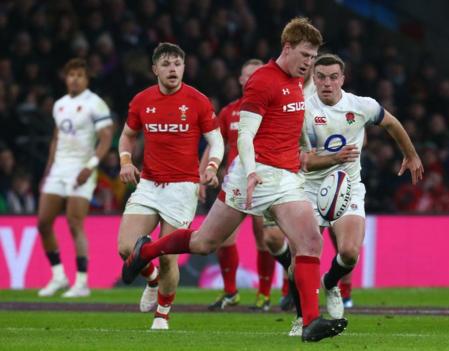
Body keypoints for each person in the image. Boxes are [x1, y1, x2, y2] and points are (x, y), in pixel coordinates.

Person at [120, 18, 347, 342]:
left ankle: (310, 322)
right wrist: (251, 171)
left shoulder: (300, 79)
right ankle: (146, 251)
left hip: (285, 177)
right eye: (306, 56)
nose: (310, 63)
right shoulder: (263, 81)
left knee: (310, 242)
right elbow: (245, 135)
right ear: (287, 48)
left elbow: (310, 100)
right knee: (204, 243)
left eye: (313, 57)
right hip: (252, 174)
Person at [267, 53, 424, 332]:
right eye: (321, 77)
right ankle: (303, 319)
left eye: (333, 77)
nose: (327, 83)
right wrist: (334, 158)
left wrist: (410, 155)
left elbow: (392, 123)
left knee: (350, 253)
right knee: (297, 262)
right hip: (308, 189)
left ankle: (330, 283)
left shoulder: (361, 106)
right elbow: (301, 160)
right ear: (312, 78)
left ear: (343, 78)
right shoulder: (301, 110)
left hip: (347, 188)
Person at [116, 42, 224, 330]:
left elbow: (217, 141)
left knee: (167, 259)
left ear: (184, 68)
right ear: (155, 70)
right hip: (149, 184)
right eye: (166, 64)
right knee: (127, 248)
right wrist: (126, 161)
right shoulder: (142, 100)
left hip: (182, 188)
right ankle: (151, 282)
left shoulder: (198, 101)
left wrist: (211, 167)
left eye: (177, 63)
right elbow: (127, 135)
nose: (172, 68)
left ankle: (162, 315)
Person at [208, 59, 283, 312]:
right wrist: (203, 172)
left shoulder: (272, 110)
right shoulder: (228, 111)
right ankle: (230, 292)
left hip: (262, 182)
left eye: (256, 75)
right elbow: (214, 143)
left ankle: (264, 295)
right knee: (223, 239)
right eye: (247, 75)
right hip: (235, 184)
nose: (251, 80)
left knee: (265, 239)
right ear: (241, 80)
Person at [36, 58, 113, 298]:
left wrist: (90, 167)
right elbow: (56, 139)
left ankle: (81, 282)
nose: (75, 79)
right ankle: (58, 276)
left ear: (86, 79)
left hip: (82, 170)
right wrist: (48, 170)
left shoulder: (95, 103)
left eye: (80, 75)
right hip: (58, 169)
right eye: (71, 75)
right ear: (65, 77)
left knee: (74, 222)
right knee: (43, 222)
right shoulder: (59, 104)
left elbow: (106, 137)